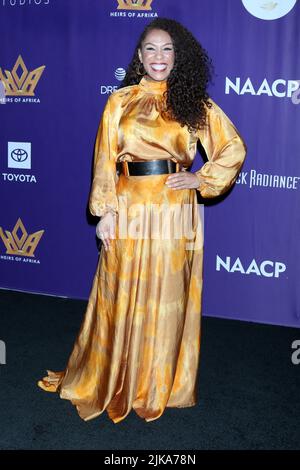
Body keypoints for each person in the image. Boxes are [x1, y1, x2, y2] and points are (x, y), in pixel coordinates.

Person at [37, 17, 247, 423]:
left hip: (174, 209)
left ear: (178, 56)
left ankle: (154, 384)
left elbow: (233, 148)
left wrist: (200, 177)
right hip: (128, 205)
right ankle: (113, 376)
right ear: (139, 55)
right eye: (151, 48)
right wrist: (104, 213)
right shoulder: (119, 101)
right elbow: (104, 161)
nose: (159, 57)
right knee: (120, 292)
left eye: (167, 49)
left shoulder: (193, 103)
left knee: (166, 298)